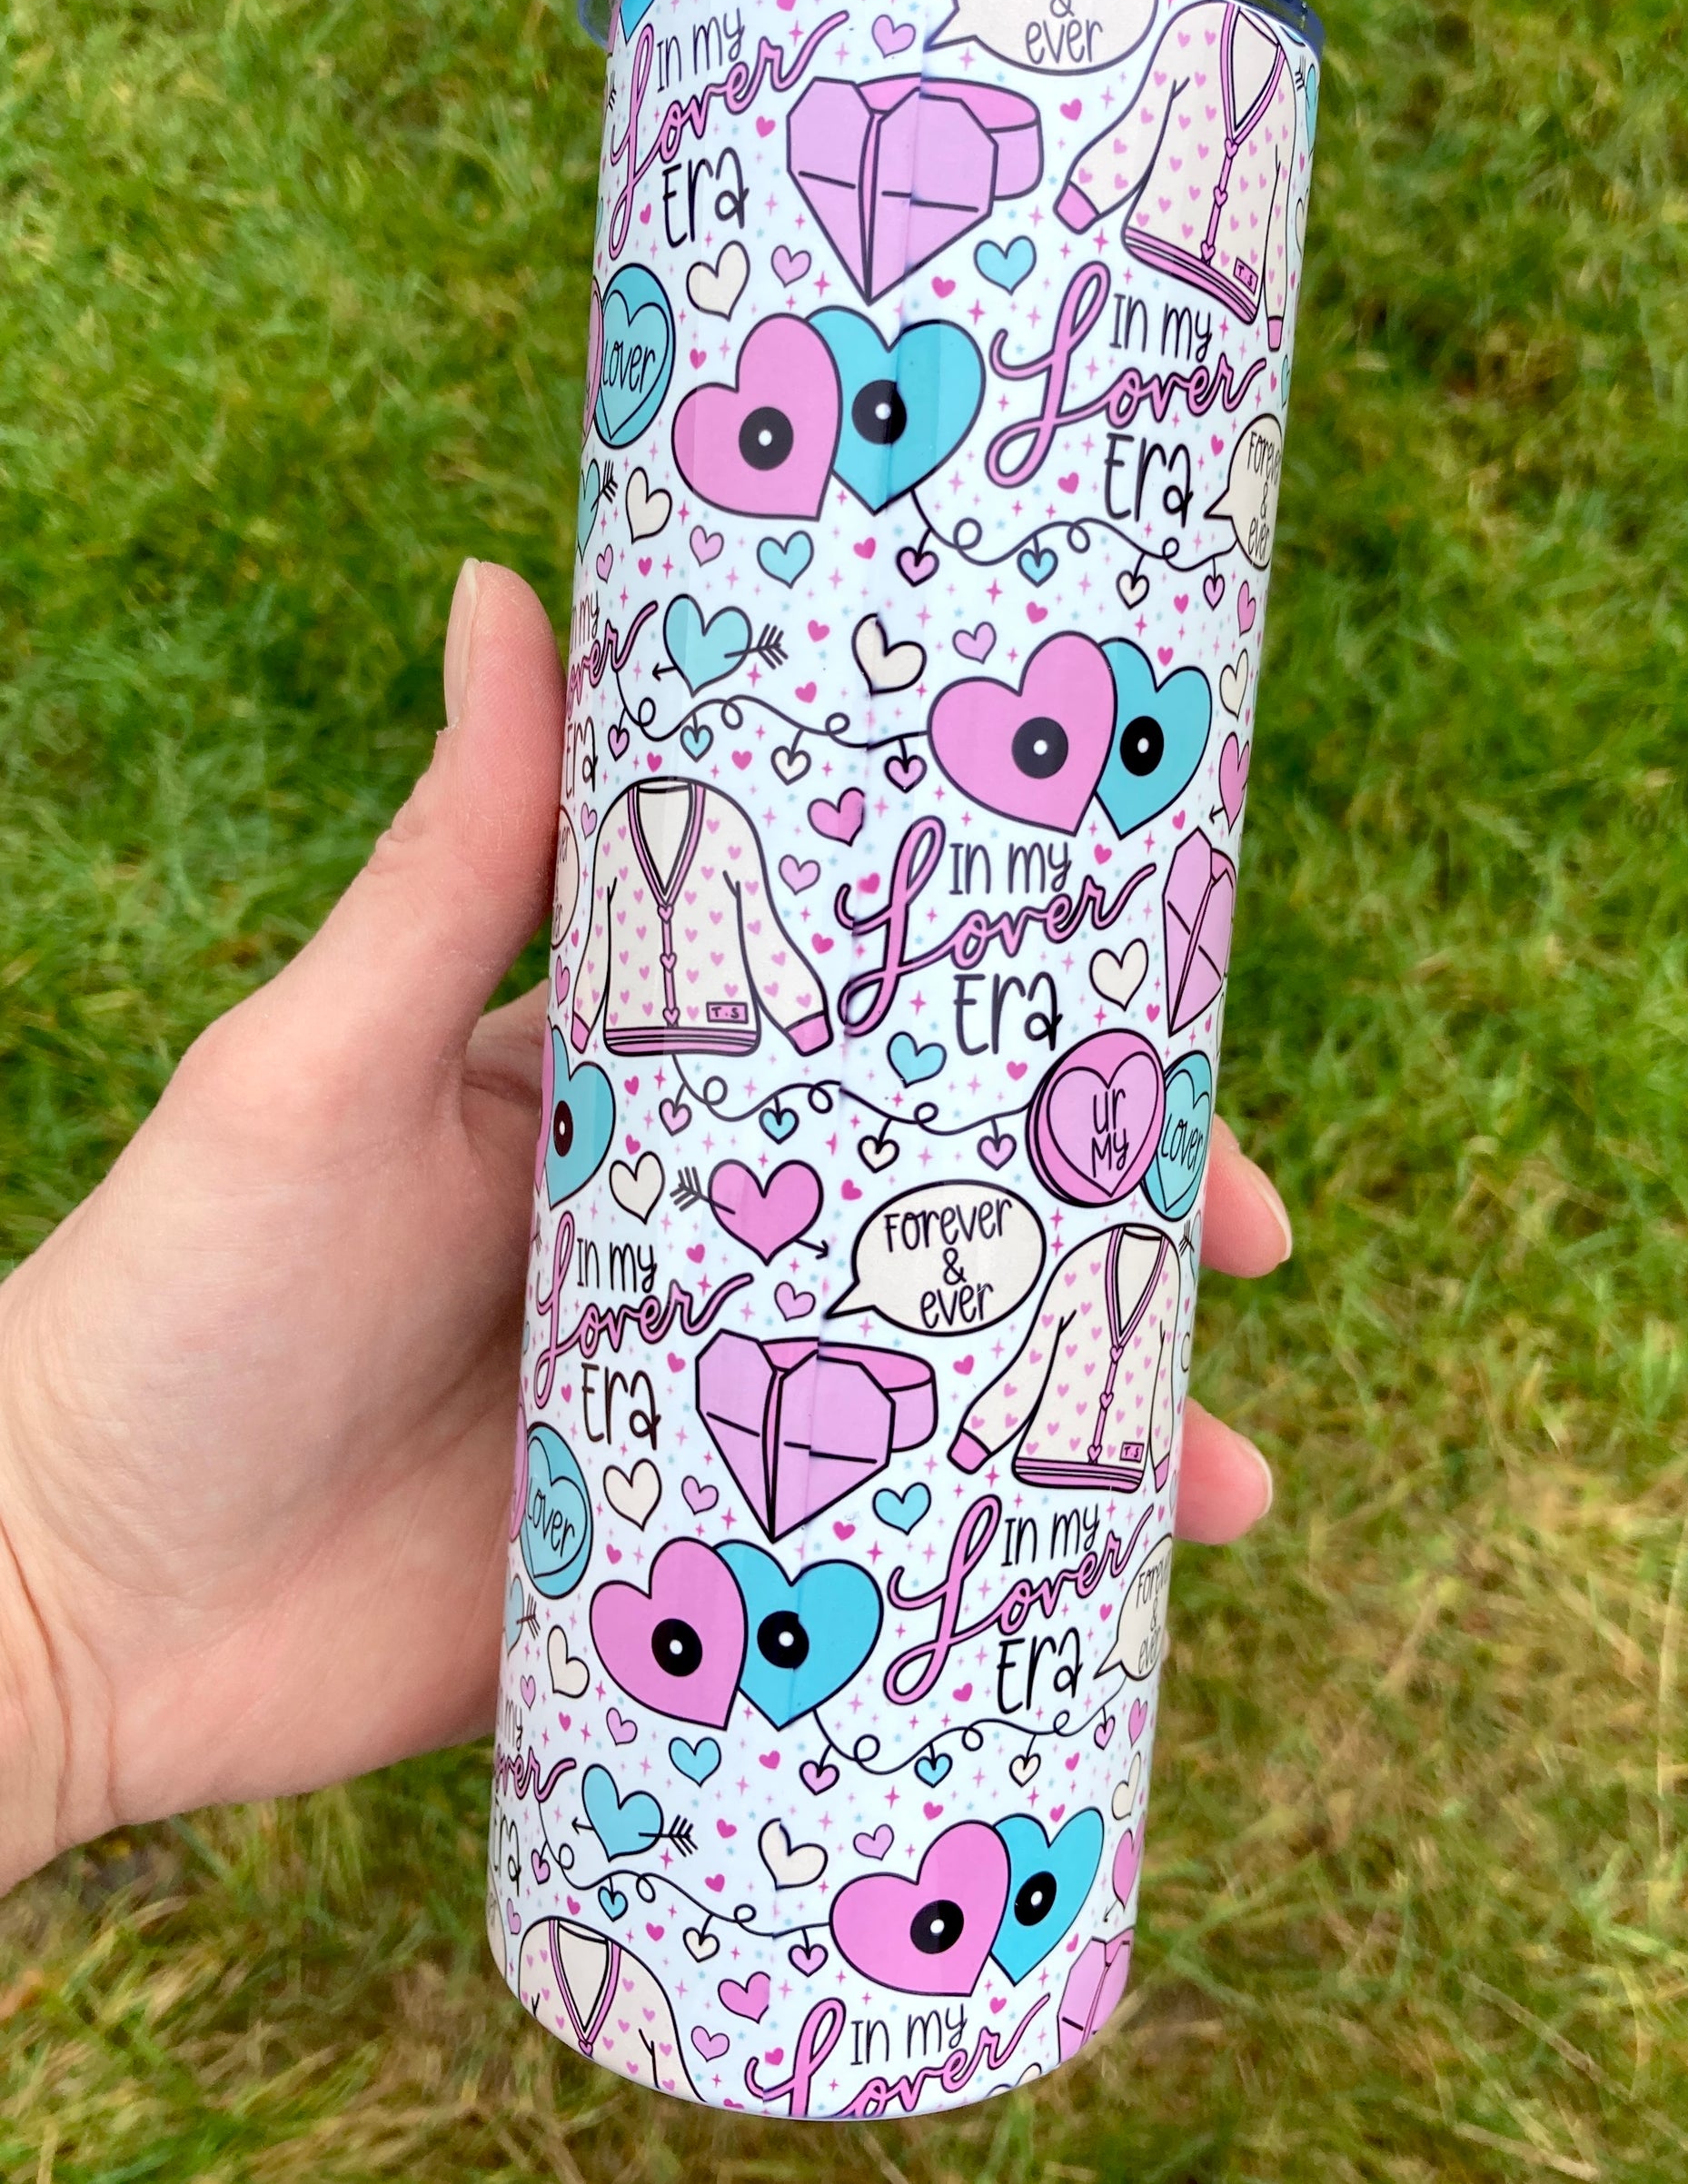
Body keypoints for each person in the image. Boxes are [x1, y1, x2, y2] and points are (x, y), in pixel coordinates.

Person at [0, 561, 1293, 1897]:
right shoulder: (676, 807)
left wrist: (51, 1608)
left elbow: (772, 944)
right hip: (677, 1097)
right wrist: (44, 1587)